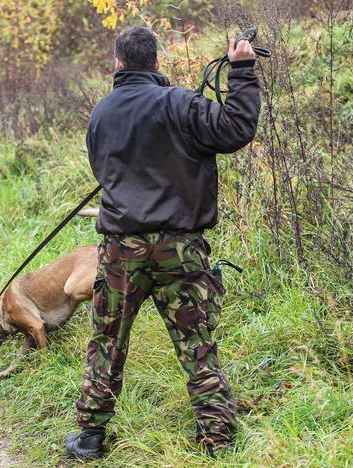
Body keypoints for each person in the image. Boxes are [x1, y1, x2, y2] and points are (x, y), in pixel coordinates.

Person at [65, 26, 261, 460]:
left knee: (107, 339)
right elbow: (236, 128)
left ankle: (91, 437)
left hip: (120, 250)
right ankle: (217, 439)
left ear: (117, 63)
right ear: (157, 62)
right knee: (196, 342)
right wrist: (243, 70)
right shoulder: (182, 104)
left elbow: (102, 170)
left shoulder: (101, 113)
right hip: (180, 248)